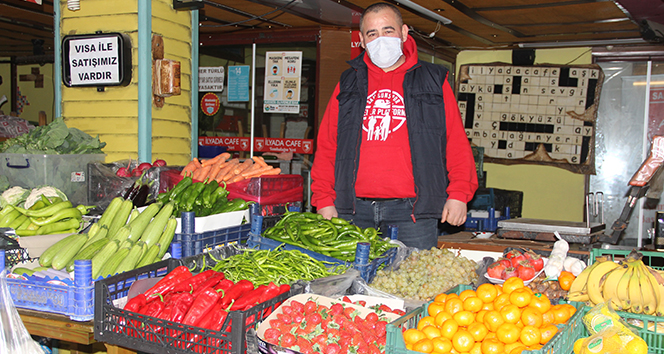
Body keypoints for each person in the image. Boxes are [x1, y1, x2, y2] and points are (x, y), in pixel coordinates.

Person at [310, 2, 478, 250]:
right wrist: (323, 199)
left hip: (413, 214)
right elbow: (327, 145)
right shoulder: (347, 83)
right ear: (362, 40)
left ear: (404, 32)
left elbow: (455, 142)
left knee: (413, 286)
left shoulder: (434, 80)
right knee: (350, 284)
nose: (381, 39)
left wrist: (458, 194)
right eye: (372, 33)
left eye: (388, 31)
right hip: (353, 211)